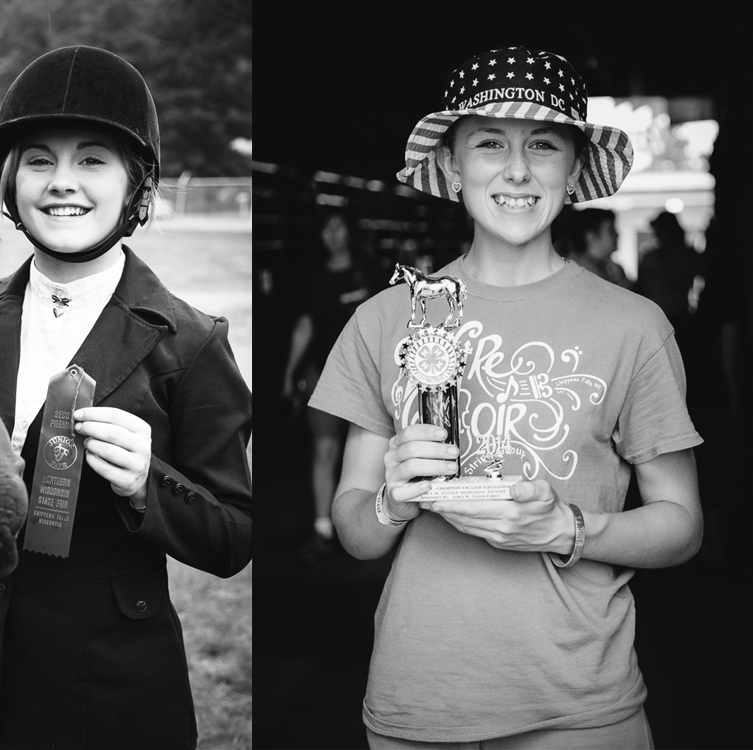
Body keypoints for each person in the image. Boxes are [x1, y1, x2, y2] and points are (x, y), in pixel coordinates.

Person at [309, 47, 702, 749]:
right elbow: (356, 532)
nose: (517, 169)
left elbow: (683, 525)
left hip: (581, 708)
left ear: (574, 169)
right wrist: (392, 501)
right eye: (490, 143)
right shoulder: (385, 318)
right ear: (453, 165)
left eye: (543, 145)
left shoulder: (634, 326)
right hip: (416, 704)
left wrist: (567, 530)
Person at [0, 46, 253, 750]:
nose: (61, 183)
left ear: (137, 185)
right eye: (39, 159)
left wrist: (147, 483)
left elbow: (234, 537)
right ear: (9, 182)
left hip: (109, 697)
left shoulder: (190, 342)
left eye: (93, 160)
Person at [280, 210, 371, 562]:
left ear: (351, 232)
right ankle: (323, 530)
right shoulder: (311, 278)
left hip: (369, 376)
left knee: (369, 452)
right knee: (325, 452)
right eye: (326, 229)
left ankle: (370, 530)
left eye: (339, 227)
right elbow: (303, 329)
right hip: (325, 376)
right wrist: (289, 376)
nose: (332, 235)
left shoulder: (372, 273)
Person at [568, 207, 631, 288]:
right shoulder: (581, 271)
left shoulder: (608, 268)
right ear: (591, 237)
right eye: (611, 231)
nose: (617, 234)